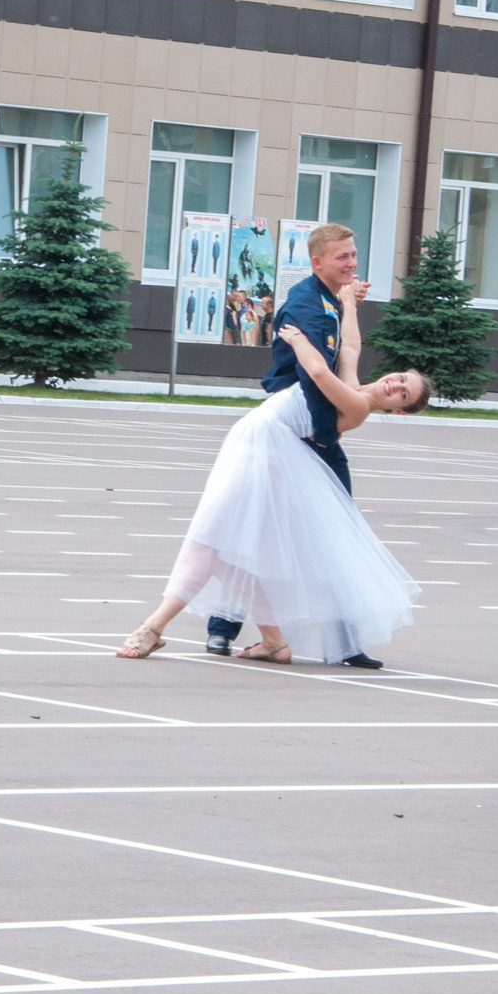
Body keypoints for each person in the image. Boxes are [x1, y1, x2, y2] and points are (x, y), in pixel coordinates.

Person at [119, 280, 429, 663]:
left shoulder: (358, 408)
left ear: (398, 410)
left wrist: (297, 339)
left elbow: (317, 372)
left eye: (403, 393)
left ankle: (154, 628)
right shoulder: (354, 386)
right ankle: (271, 639)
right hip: (255, 444)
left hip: (266, 453)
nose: (395, 384)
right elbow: (349, 347)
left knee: (209, 538)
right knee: (221, 546)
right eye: (401, 378)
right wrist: (348, 302)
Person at [202, 223, 384, 665]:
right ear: (317, 261)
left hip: (310, 427)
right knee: (258, 527)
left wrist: (347, 302)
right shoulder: (309, 308)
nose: (352, 264)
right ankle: (222, 628)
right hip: (296, 431)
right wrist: (327, 437)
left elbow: (344, 353)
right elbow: (313, 380)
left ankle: (347, 642)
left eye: (354, 255)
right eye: (343, 257)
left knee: (336, 532)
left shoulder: (326, 299)